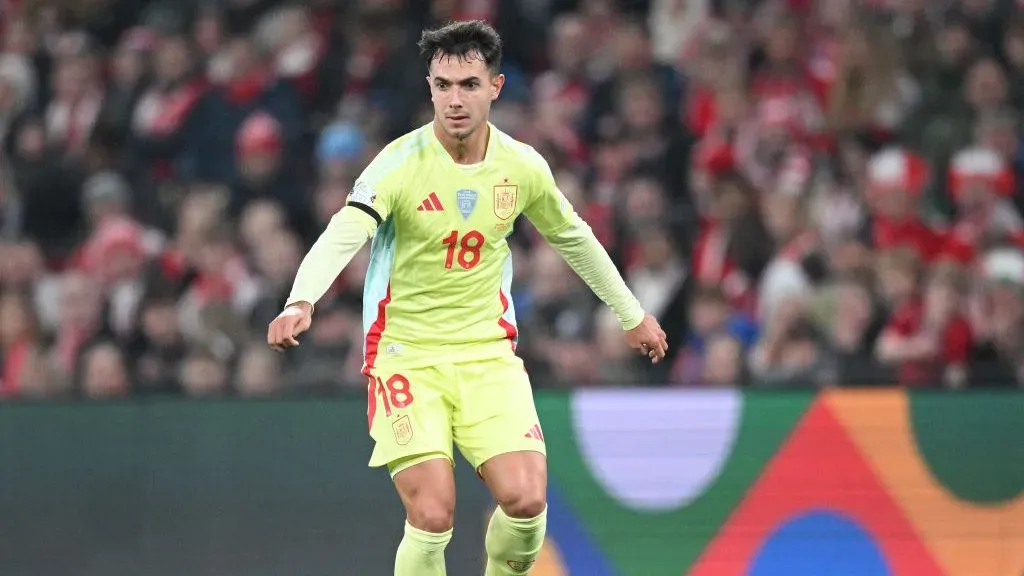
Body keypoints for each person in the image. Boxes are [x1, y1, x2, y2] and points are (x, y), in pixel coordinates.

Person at [266, 20, 668, 576]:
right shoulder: (397, 165)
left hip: (487, 356)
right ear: (429, 88)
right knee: (433, 514)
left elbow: (573, 237)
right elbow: (344, 232)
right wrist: (300, 300)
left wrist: (631, 314)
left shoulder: (521, 166)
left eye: (469, 85)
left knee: (526, 507)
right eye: (443, 86)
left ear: (495, 87)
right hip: (406, 357)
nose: (455, 100)